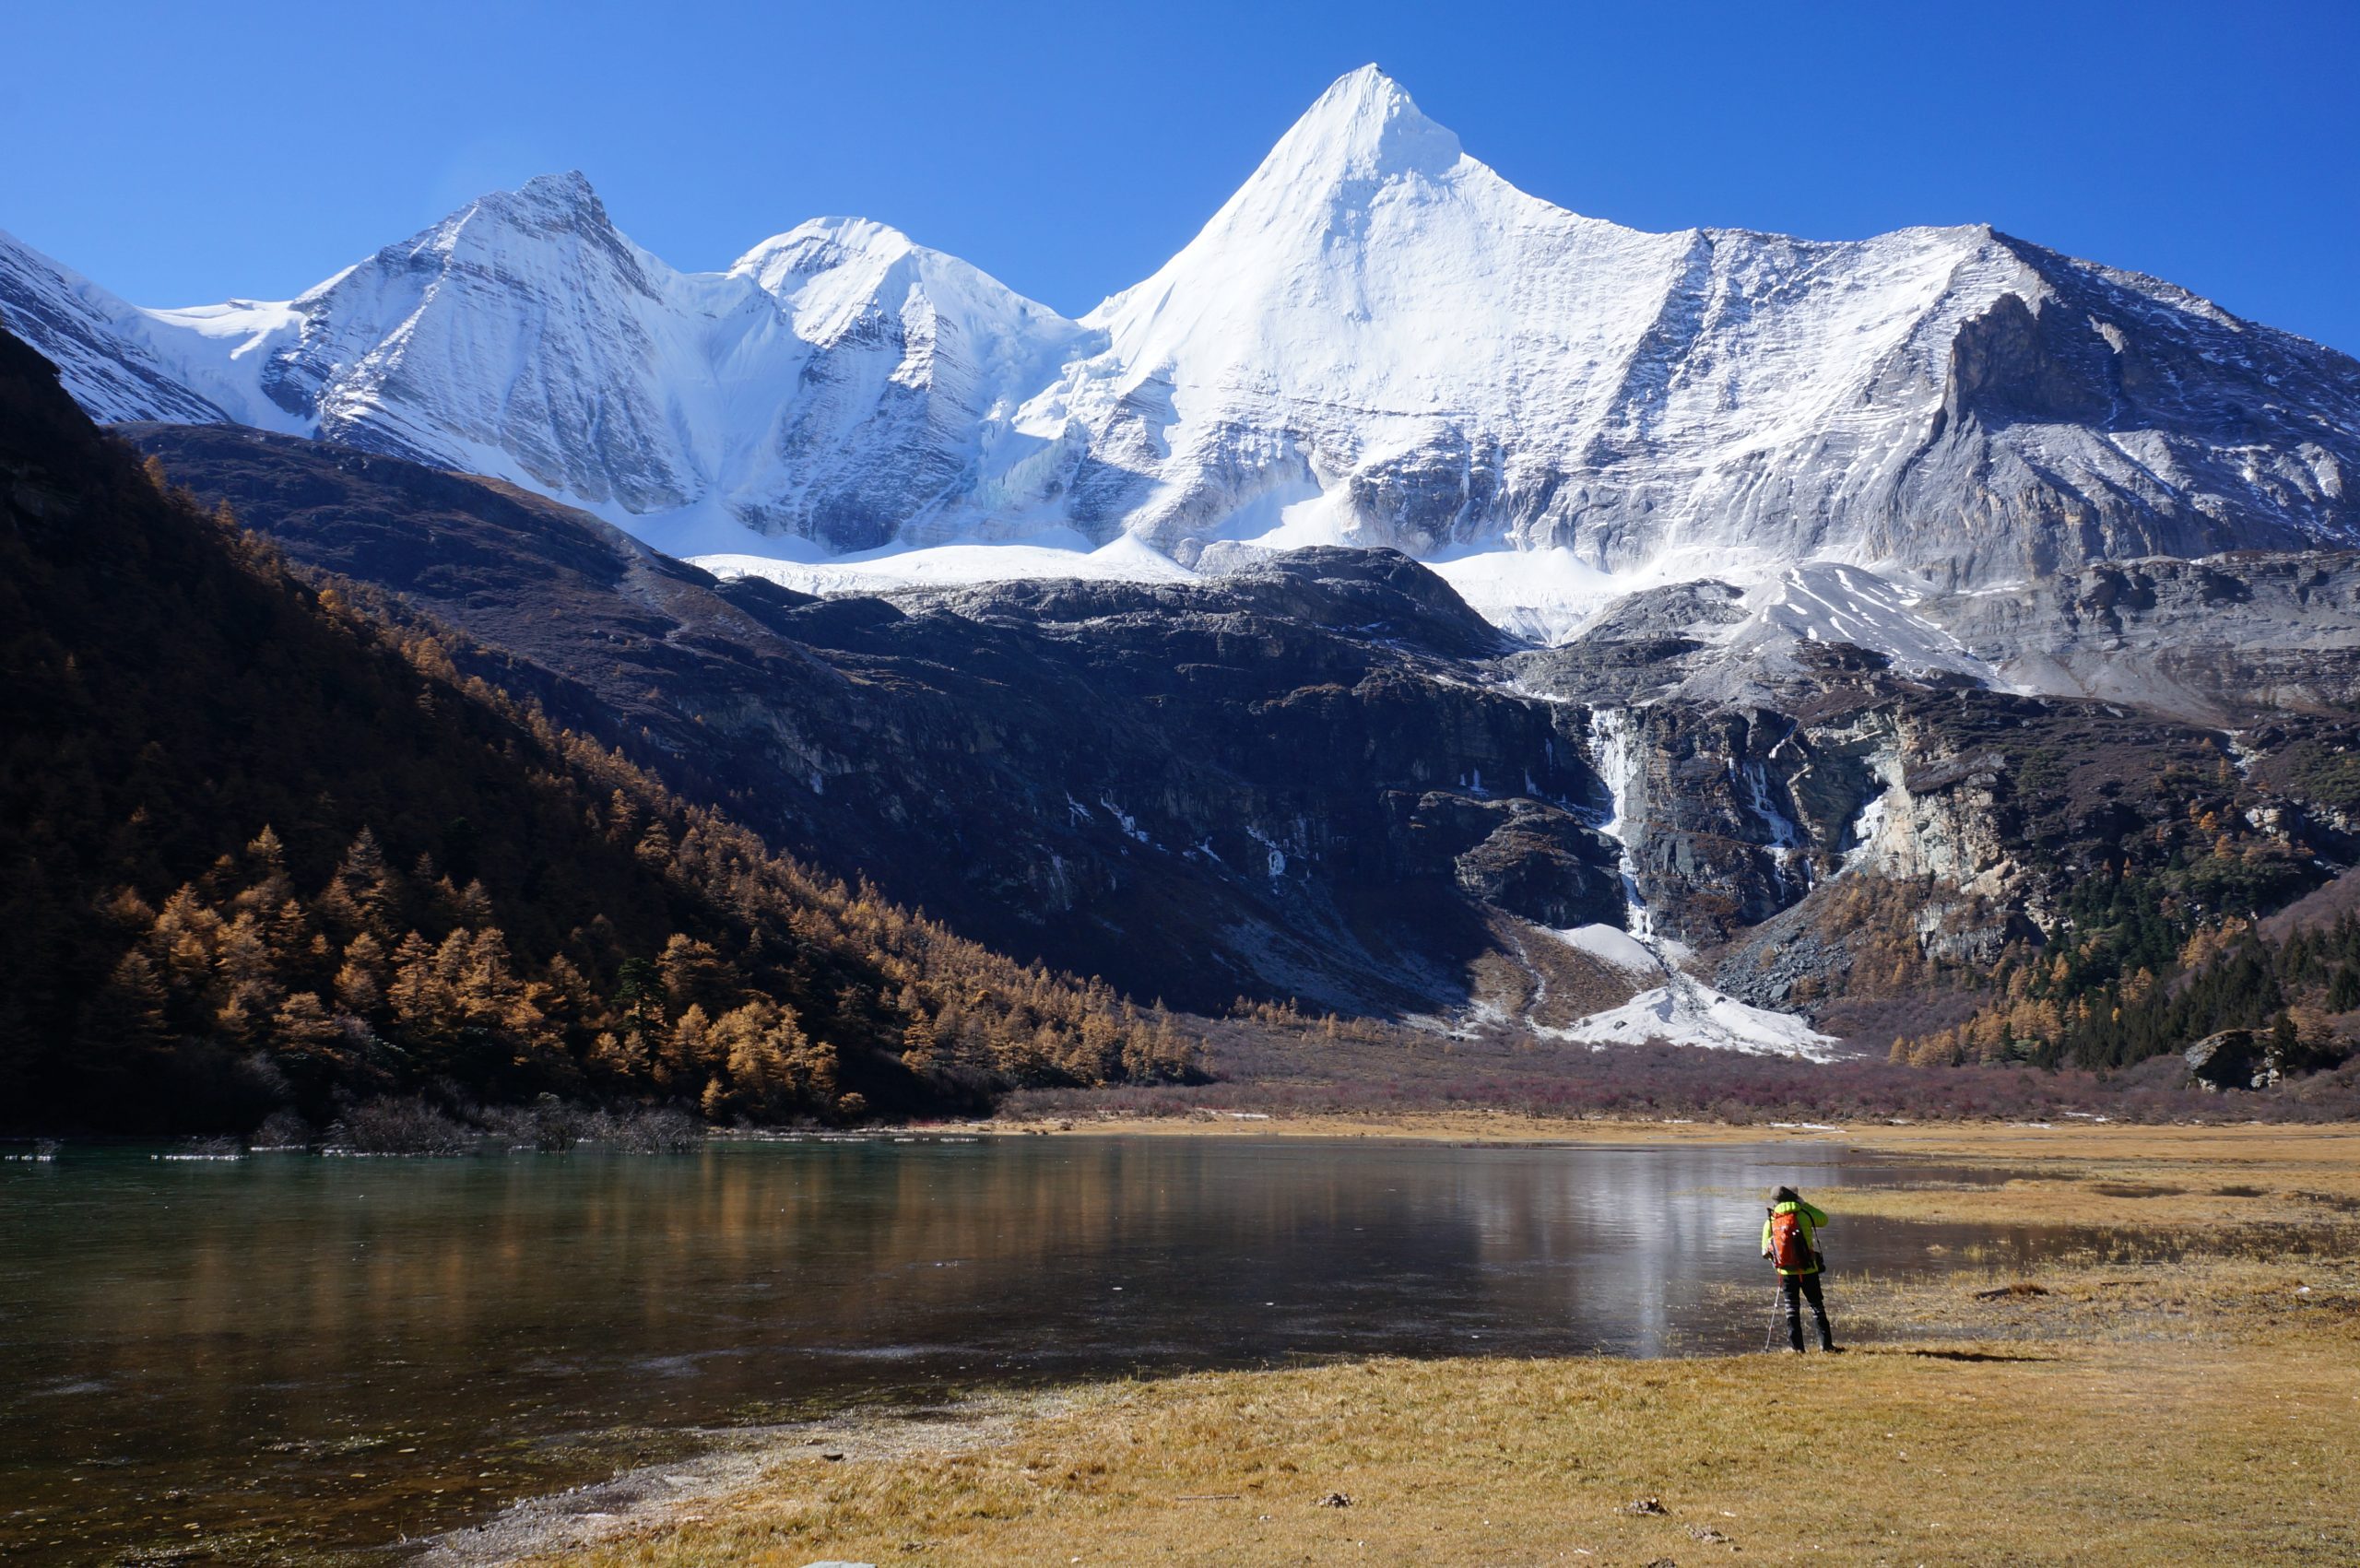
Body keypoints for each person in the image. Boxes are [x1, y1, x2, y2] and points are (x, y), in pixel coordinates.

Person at [1761, 1185, 1837, 1352]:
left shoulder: (1771, 1220)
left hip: (1786, 1273)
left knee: (1791, 1309)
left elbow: (1764, 1252)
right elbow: (1824, 1219)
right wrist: (1804, 1205)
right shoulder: (1805, 1214)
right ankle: (1826, 1346)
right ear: (1794, 1198)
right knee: (1817, 1306)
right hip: (1809, 1269)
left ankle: (1797, 1348)